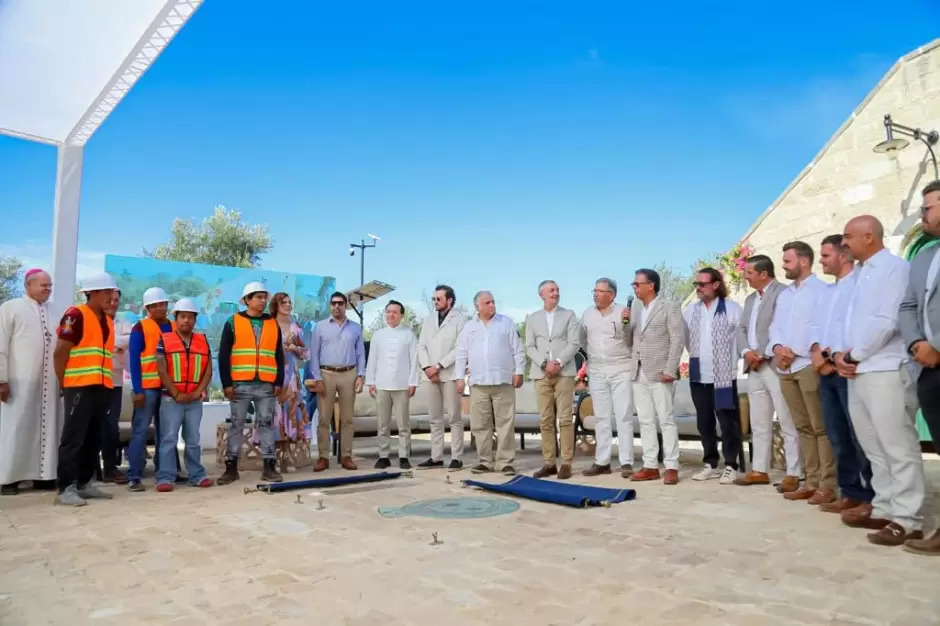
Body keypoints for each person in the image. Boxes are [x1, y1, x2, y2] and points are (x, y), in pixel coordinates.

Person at [838, 215, 926, 547]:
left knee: (897, 444)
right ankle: (886, 505)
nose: (844, 243)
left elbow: (887, 318)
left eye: (848, 236)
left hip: (886, 367)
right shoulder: (861, 273)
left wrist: (854, 355)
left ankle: (908, 518)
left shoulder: (893, 268)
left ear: (870, 237)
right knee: (873, 445)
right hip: (859, 369)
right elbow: (855, 321)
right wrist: (844, 355)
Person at [769, 241, 835, 503]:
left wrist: (796, 349)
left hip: (808, 364)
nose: (783, 265)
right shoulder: (785, 295)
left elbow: (821, 326)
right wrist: (777, 348)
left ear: (804, 261)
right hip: (786, 368)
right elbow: (775, 327)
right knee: (802, 427)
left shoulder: (822, 290)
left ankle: (827, 484)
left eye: (787, 261)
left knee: (821, 427)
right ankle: (810, 479)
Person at [811, 234, 873, 514]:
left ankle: (872, 496)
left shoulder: (858, 285)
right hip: (825, 371)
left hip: (849, 369)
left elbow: (857, 328)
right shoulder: (827, 292)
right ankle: (850, 492)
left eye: (825, 255)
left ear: (843, 256)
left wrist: (838, 359)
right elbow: (819, 329)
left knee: (860, 435)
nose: (821, 261)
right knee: (838, 434)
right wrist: (817, 354)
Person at [733, 255, 802, 489]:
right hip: (753, 367)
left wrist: (761, 353)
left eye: (750, 272)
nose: (746, 276)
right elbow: (741, 329)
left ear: (764, 274)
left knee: (786, 418)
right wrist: (746, 352)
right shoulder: (751, 298)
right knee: (759, 421)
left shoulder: (783, 293)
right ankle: (759, 469)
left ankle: (795, 472)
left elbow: (780, 327)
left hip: (774, 365)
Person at [53, 272, 120, 506]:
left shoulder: (108, 321)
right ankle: (66, 487)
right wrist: (65, 383)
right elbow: (60, 352)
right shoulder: (75, 315)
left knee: (94, 438)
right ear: (91, 293)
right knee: (73, 438)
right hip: (79, 386)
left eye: (111, 292)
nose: (110, 297)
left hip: (101, 387)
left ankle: (84, 483)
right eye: (106, 292)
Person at [899, 179, 940, 555]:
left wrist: (937, 345)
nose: (921, 214)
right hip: (927, 366)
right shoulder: (925, 257)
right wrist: (917, 344)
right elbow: (909, 306)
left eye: (927, 207)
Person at [217, 281, 286, 485]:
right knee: (237, 425)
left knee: (266, 424)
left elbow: (278, 355)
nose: (263, 300)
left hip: (266, 384)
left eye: (264, 297)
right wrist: (227, 383)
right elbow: (223, 355)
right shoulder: (233, 322)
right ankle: (231, 468)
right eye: (258, 297)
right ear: (247, 300)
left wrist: (279, 381)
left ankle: (269, 467)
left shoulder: (273, 323)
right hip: (240, 383)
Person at [0, 269, 61, 495]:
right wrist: (1, 380)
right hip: (19, 382)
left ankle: (44, 476)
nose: (48, 289)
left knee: (49, 427)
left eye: (50, 285)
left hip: (50, 381)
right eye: (43, 285)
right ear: (28, 285)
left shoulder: (56, 310)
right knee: (16, 427)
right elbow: (0, 347)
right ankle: (9, 478)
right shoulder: (10, 308)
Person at [683, 267, 744, 484]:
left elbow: (740, 339)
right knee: (704, 422)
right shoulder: (690, 311)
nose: (698, 288)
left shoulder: (732, 309)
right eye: (696, 284)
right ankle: (710, 463)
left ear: (716, 284)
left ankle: (731, 465)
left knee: (728, 422)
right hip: (700, 375)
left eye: (702, 284)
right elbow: (688, 340)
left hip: (724, 375)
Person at [454, 291, 525, 475]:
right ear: (478, 306)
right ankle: (484, 461)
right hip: (478, 383)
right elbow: (461, 353)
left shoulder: (506, 323)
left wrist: (519, 372)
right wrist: (459, 377)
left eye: (493, 302)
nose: (492, 305)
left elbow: (518, 350)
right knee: (480, 425)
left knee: (505, 424)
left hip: (503, 381)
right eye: (488, 302)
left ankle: (505, 462)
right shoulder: (469, 327)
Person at [627, 268, 685, 485]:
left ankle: (671, 466)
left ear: (650, 285)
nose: (634, 287)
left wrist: (671, 369)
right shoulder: (635, 309)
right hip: (638, 371)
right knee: (645, 420)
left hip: (661, 372)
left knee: (666, 419)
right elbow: (629, 339)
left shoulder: (669, 306)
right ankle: (650, 465)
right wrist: (625, 324)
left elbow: (677, 339)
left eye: (637, 284)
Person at [154, 298, 214, 491]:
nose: (186, 320)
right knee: (169, 439)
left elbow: (208, 370)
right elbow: (161, 369)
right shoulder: (165, 340)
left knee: (193, 439)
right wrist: (176, 393)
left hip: (195, 400)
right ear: (176, 318)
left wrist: (197, 392)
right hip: (171, 400)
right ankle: (165, 477)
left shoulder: (202, 341)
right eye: (182, 317)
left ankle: (196, 475)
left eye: (190, 317)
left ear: (195, 320)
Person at [524, 280, 580, 480]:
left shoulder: (569, 315)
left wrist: (557, 362)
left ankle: (566, 462)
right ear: (542, 295)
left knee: (565, 418)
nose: (556, 293)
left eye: (557, 290)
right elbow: (529, 346)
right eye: (551, 290)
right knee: (546, 420)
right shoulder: (532, 318)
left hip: (564, 373)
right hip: (541, 374)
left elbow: (575, 342)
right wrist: (543, 364)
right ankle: (549, 463)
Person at [580, 278, 634, 477]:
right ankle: (602, 461)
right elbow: (582, 340)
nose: (595, 294)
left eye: (600, 291)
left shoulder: (623, 312)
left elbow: (631, 339)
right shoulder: (587, 314)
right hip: (596, 370)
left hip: (621, 368)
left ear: (612, 295)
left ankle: (626, 462)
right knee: (601, 417)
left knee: (623, 416)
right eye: (594, 290)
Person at [126, 286, 179, 492]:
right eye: (155, 305)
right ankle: (134, 475)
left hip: (168, 389)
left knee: (166, 432)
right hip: (147, 389)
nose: (160, 308)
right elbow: (134, 361)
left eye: (163, 304)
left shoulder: (174, 327)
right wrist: (137, 390)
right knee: (140, 431)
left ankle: (166, 471)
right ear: (147, 307)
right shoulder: (140, 327)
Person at [306, 291, 365, 471]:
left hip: (349, 374)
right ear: (330, 306)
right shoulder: (320, 327)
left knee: (347, 418)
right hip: (326, 374)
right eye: (333, 303)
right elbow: (313, 354)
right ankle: (323, 457)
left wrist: (361, 375)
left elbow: (361, 353)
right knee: (324, 418)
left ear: (345, 305)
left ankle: (347, 456)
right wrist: (317, 378)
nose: (336, 306)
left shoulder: (355, 328)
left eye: (340, 303)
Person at [416, 285, 467, 470]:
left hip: (449, 374)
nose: (435, 302)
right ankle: (436, 457)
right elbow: (421, 346)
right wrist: (428, 367)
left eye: (439, 299)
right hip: (430, 375)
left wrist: (439, 366)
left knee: (454, 417)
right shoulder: (428, 320)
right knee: (435, 418)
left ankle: (456, 457)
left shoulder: (460, 319)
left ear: (449, 300)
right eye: (434, 299)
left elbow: (460, 348)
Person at [365, 300, 419, 470]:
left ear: (401, 315)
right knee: (382, 423)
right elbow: (372, 359)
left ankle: (404, 456)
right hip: (381, 384)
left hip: (402, 384)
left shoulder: (409, 335)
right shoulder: (378, 335)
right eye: (388, 312)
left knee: (403, 424)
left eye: (395, 312)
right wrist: (371, 381)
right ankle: (383, 456)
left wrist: (413, 382)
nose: (391, 315)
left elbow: (414, 360)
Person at [269, 293, 309, 455]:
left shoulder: (296, 328)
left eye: (289, 302)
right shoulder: (269, 325)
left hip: (291, 377)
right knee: (273, 411)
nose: (287, 304)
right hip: (272, 374)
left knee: (291, 410)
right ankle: (273, 456)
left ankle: (287, 454)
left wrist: (295, 348)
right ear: (276, 305)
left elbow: (307, 353)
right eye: (283, 302)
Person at [101, 289, 130, 484]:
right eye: (109, 299)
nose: (113, 303)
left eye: (116, 300)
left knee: (111, 427)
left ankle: (111, 468)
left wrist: (113, 344)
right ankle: (90, 470)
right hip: (93, 381)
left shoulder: (122, 322)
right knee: (92, 426)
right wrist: (117, 345)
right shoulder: (92, 319)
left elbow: (130, 340)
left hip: (116, 381)